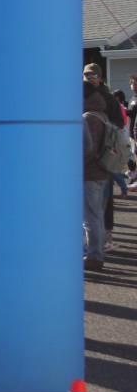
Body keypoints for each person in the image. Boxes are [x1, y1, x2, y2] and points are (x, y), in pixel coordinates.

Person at [83, 82, 111, 271]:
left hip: (90, 174)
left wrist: (74, 167)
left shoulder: (88, 117)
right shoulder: (101, 114)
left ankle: (94, 255)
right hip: (102, 171)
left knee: (90, 217)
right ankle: (96, 252)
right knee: (97, 215)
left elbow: (88, 148)